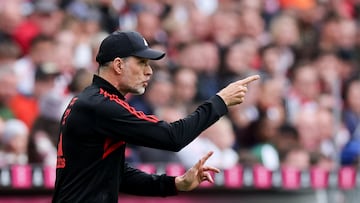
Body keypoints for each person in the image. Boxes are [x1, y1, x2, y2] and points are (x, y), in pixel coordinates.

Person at [52, 30, 260, 203]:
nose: (149, 71)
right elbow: (172, 137)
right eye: (142, 62)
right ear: (118, 65)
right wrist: (220, 102)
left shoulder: (91, 101)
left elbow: (116, 174)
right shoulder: (101, 105)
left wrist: (175, 184)